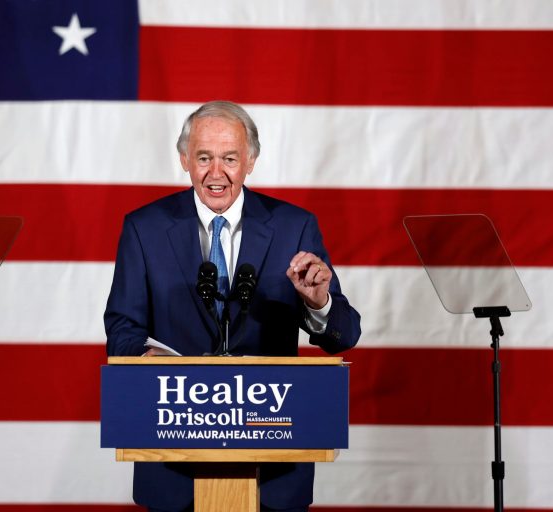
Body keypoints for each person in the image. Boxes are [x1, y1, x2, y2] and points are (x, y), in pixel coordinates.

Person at [104, 100, 361, 512]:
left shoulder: (294, 227)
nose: (216, 173)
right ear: (185, 160)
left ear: (251, 161)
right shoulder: (144, 228)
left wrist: (318, 304)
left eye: (230, 158)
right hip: (174, 466)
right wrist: (147, 358)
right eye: (204, 157)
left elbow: (344, 335)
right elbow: (122, 328)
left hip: (273, 469)